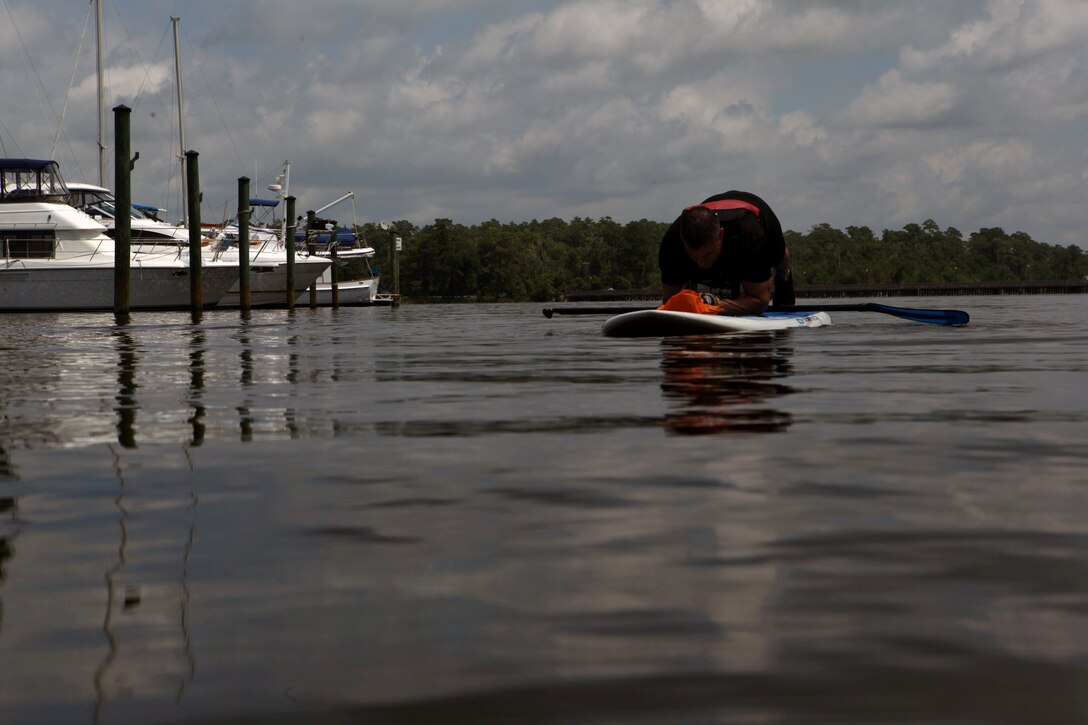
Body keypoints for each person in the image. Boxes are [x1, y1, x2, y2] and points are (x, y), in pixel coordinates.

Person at [658, 190, 794, 313]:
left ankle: (784, 273)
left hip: (759, 217)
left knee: (779, 259)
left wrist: (714, 303)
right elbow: (669, 300)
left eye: (707, 254)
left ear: (721, 235)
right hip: (710, 209)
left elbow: (760, 301)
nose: (701, 263)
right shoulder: (672, 242)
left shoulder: (750, 233)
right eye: (693, 256)